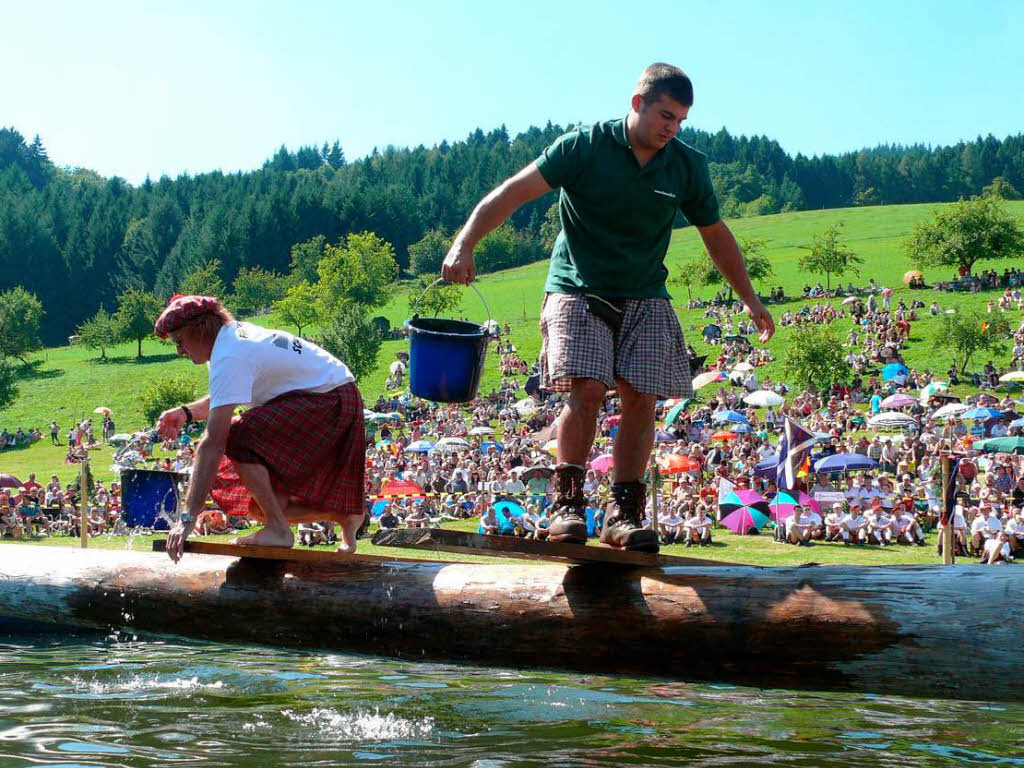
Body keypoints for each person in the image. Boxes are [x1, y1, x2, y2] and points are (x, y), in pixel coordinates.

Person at [441, 63, 773, 552]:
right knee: (589, 388)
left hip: (644, 291)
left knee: (643, 396)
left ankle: (624, 513)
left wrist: (749, 298)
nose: (671, 128)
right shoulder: (583, 146)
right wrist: (464, 243)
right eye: (665, 114)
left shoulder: (685, 165)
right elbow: (514, 192)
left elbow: (715, 233)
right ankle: (568, 504)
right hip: (578, 287)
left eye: (680, 120)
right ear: (637, 103)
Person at [154, 295, 366, 562]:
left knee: (237, 435)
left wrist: (187, 518)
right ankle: (343, 515)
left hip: (328, 401)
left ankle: (279, 530)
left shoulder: (231, 354)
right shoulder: (231, 340)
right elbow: (226, 395)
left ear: (199, 329)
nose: (180, 351)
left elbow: (213, 442)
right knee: (261, 507)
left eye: (179, 341)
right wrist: (186, 412)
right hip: (333, 396)